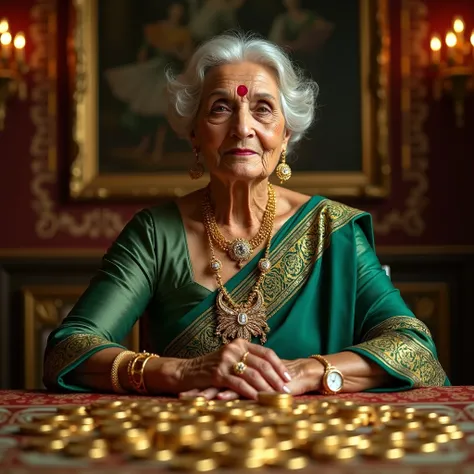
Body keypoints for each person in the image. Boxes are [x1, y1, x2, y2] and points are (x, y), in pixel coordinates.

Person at [43, 32, 449, 400]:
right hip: (184, 447)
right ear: (195, 133)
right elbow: (69, 349)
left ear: (286, 135)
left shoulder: (330, 230)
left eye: (263, 109)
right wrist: (182, 371)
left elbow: (414, 348)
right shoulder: (155, 234)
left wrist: (309, 372)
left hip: (321, 446)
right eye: (221, 108)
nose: (242, 127)